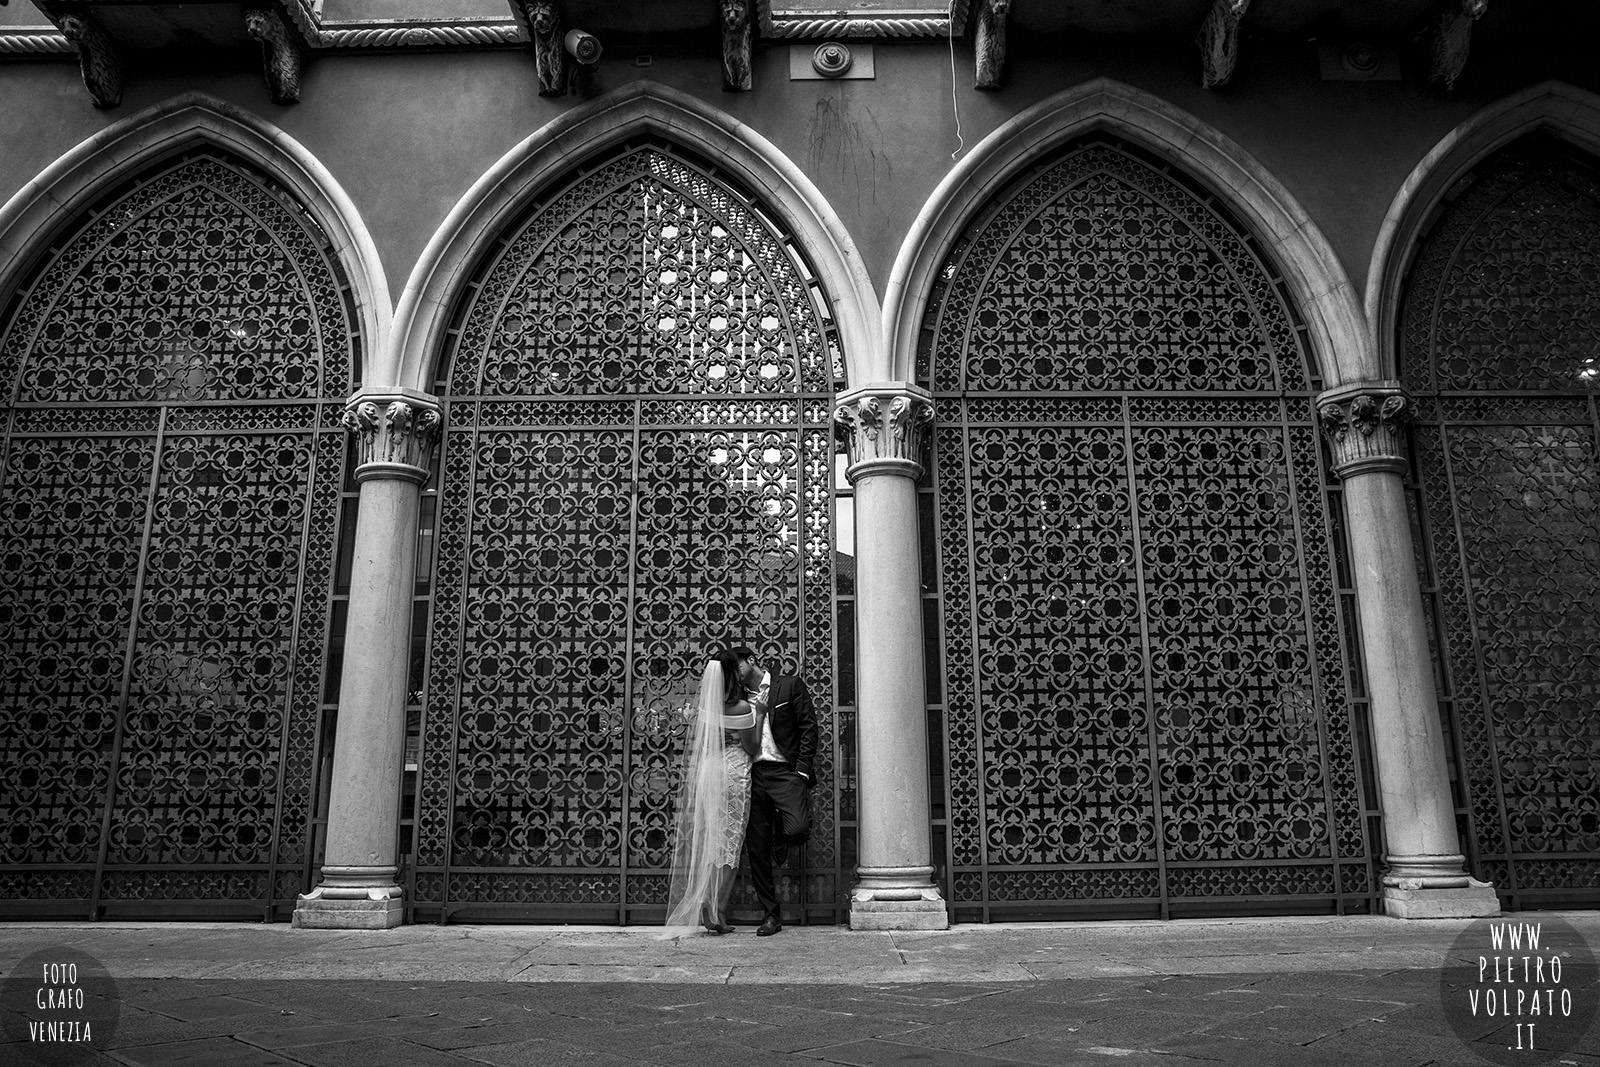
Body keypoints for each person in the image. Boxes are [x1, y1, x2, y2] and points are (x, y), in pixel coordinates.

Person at [662, 648, 764, 937]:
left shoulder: (708, 709)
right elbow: (752, 747)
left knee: (712, 836)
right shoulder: (743, 708)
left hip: (710, 772)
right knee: (731, 840)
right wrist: (760, 712)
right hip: (733, 773)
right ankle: (714, 905)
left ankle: (712, 903)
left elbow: (709, 744)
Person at [733, 645, 819, 937]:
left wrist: (802, 769)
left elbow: (809, 727)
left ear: (752, 661)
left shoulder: (790, 685)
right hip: (754, 774)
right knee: (756, 848)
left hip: (786, 772)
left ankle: (780, 837)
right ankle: (771, 915)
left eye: (737, 666)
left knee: (796, 830)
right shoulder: (739, 700)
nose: (735, 674)